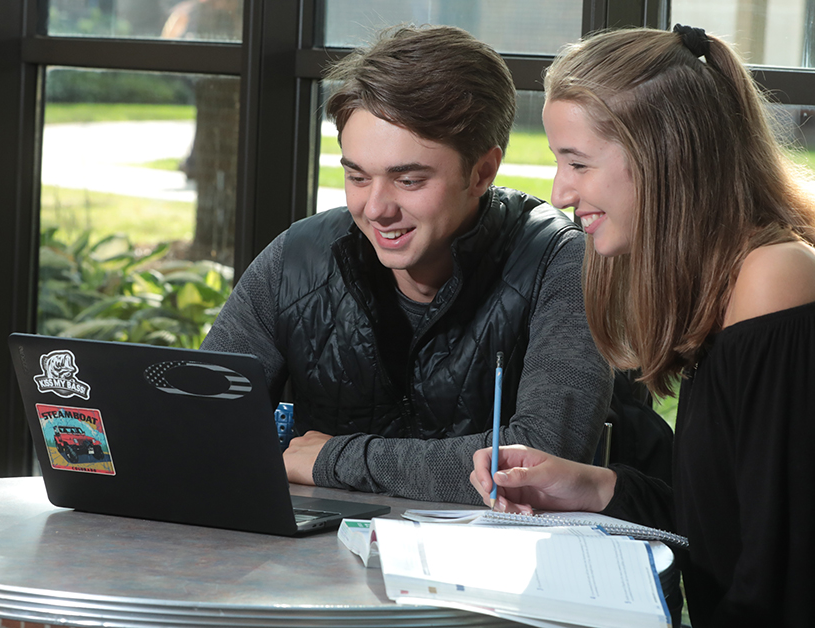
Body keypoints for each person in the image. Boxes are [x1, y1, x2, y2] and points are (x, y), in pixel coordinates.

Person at [470, 26, 815, 626]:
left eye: (577, 163)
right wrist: (589, 489)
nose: (561, 192)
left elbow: (783, 591)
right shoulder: (731, 282)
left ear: (664, 156)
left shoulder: (774, 285)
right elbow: (733, 526)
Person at [201, 25, 628, 505]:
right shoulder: (296, 260)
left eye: (407, 180)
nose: (377, 208)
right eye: (358, 176)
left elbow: (538, 464)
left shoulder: (562, 262)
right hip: (310, 565)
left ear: (482, 171)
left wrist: (333, 459)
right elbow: (198, 423)